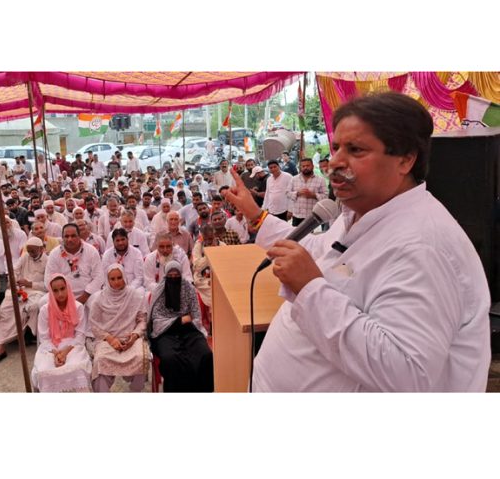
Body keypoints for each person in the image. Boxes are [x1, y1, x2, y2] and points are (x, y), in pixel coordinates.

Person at [224, 91, 491, 392]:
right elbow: (319, 253)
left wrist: (310, 290)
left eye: (356, 150)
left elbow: (407, 373)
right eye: (336, 147)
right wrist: (257, 217)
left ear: (405, 159)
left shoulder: (424, 247)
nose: (335, 162)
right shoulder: (359, 213)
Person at [148, 261, 213, 392]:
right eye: (170, 275)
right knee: (170, 359)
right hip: (165, 333)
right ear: (165, 276)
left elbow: (195, 315)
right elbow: (157, 320)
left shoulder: (188, 288)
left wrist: (185, 321)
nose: (173, 278)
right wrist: (180, 320)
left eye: (176, 275)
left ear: (181, 275)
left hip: (189, 331)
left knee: (205, 355)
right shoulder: (159, 291)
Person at [0, 237, 48, 366]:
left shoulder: (48, 261)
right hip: (19, 289)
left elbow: (48, 285)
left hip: (37, 291)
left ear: (41, 249)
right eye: (29, 251)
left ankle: (25, 334)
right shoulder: (25, 257)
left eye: (33, 251)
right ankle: (0, 347)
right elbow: (14, 271)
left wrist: (30, 283)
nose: (30, 254)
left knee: (32, 307)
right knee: (5, 309)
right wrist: (14, 283)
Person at [89, 264, 147, 392]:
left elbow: (142, 320)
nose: (116, 282)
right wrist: (110, 339)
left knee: (141, 357)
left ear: (124, 277)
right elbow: (94, 324)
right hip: (107, 339)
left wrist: (135, 335)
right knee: (100, 360)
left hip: (130, 338)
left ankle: (135, 391)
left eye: (119, 277)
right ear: (107, 280)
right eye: (112, 279)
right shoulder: (99, 299)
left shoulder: (135, 295)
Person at [31, 274, 92, 392]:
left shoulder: (78, 307)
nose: (60, 294)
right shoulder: (44, 310)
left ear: (68, 287)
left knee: (77, 368)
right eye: (55, 290)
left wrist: (64, 353)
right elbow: (44, 338)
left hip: (73, 346)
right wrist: (56, 354)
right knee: (44, 371)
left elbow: (80, 336)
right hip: (50, 347)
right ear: (50, 292)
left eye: (62, 289)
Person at [45, 224, 104, 309]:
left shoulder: (91, 251)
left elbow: (99, 276)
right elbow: (48, 278)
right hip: (61, 294)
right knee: (43, 303)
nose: (70, 239)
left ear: (79, 236)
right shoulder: (54, 254)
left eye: (73, 236)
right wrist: (63, 296)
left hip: (88, 294)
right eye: (66, 236)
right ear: (62, 238)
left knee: (97, 302)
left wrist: (85, 296)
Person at [286, 158, 328, 227]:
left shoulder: (320, 180)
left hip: (312, 216)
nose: (305, 168)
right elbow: (287, 193)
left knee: (310, 237)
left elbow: (326, 196)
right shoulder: (294, 179)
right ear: (300, 167)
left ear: (313, 166)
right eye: (303, 166)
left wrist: (313, 195)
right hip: (297, 215)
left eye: (308, 165)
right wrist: (297, 193)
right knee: (295, 236)